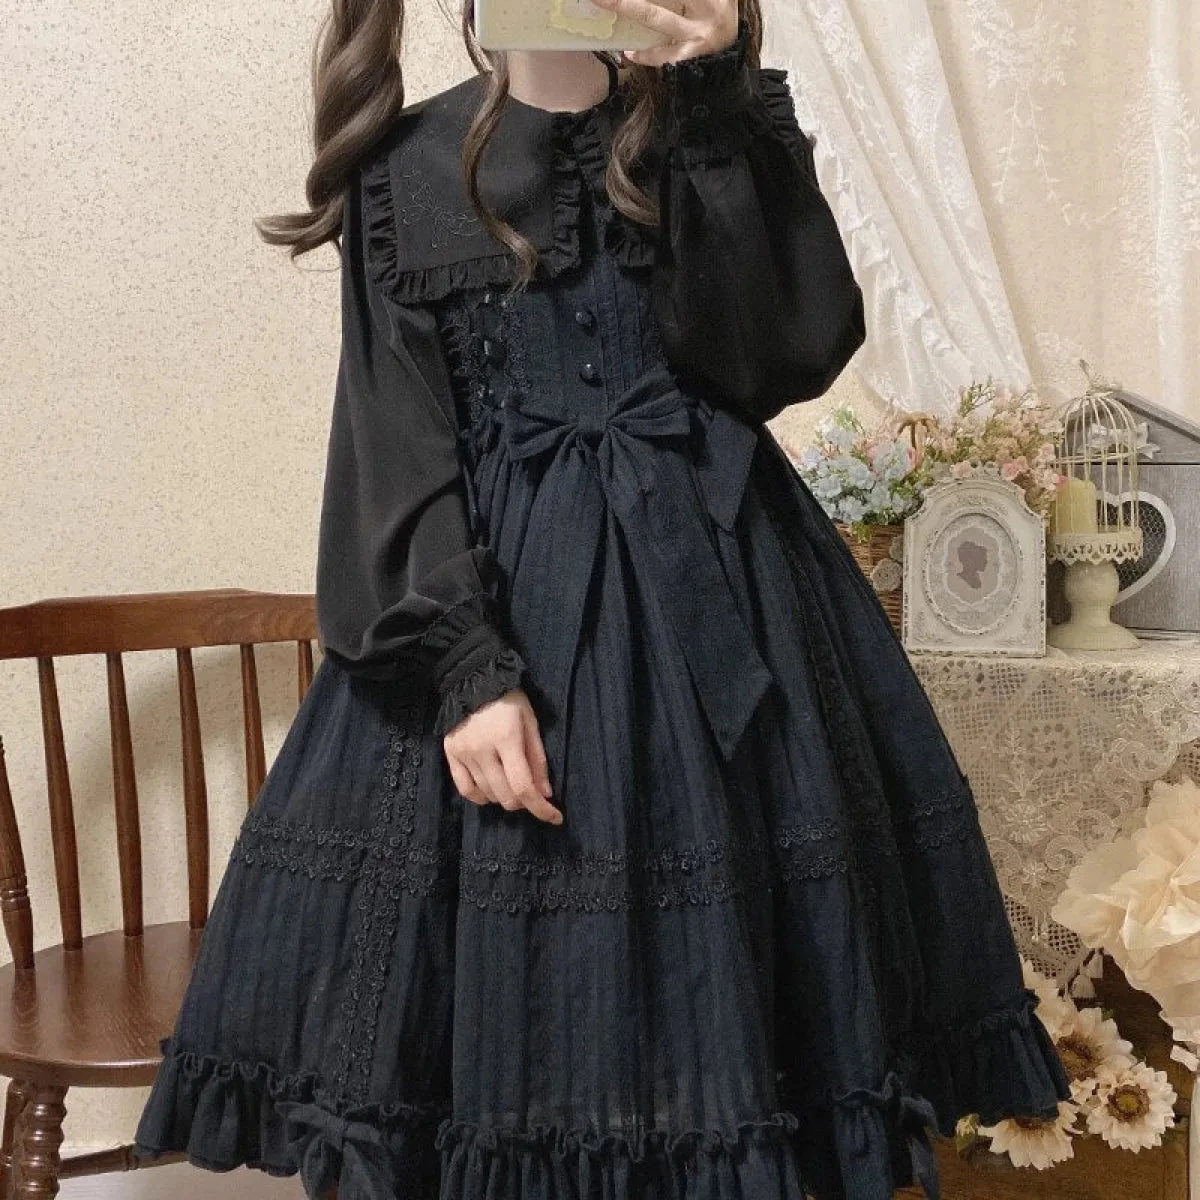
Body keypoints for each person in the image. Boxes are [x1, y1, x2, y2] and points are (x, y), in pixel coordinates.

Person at [133, 0, 1071, 1196]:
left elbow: (783, 355)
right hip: (503, 619)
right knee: (510, 1021)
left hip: (730, 604)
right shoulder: (406, 169)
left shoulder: (705, 136)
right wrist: (467, 674)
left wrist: (714, 90)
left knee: (751, 1020)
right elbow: (395, 444)